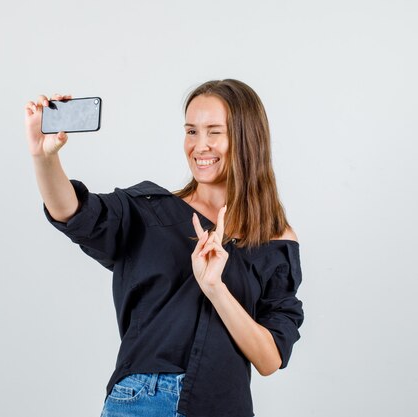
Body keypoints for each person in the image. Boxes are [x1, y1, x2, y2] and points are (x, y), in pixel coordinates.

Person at [24, 79, 304, 417]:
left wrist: (216, 289)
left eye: (214, 132)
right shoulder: (148, 211)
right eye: (191, 131)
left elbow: (270, 359)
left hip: (221, 405)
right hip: (142, 402)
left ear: (247, 139)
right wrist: (44, 158)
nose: (200, 146)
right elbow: (74, 213)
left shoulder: (274, 238)